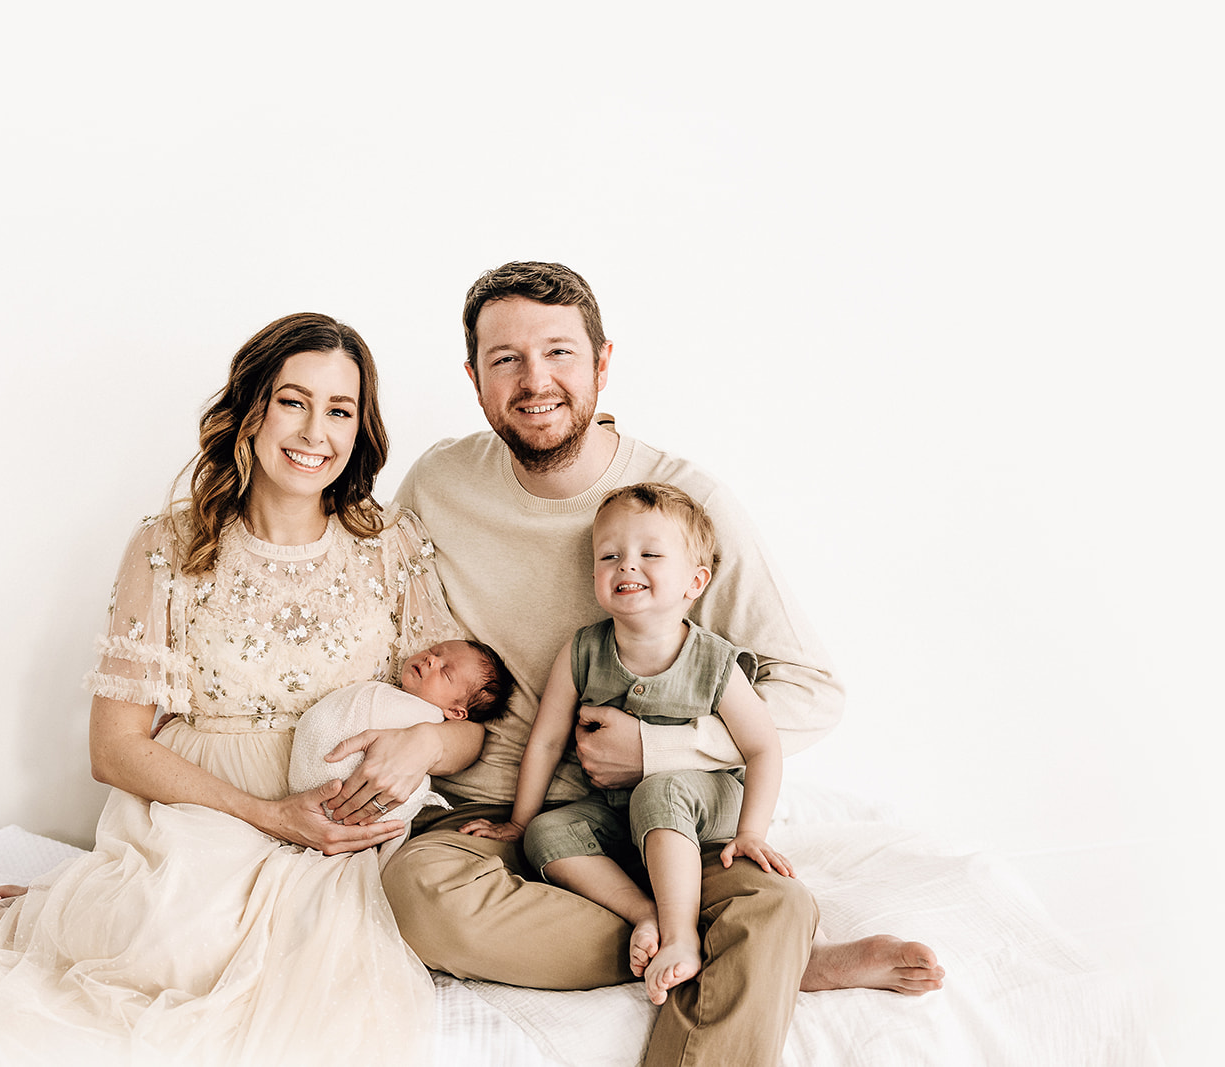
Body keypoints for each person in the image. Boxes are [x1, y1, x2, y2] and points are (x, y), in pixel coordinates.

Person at [0, 312, 481, 1067]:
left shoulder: (391, 544)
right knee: (170, 939)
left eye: (340, 409)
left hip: (334, 812)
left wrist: (424, 739)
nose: (315, 429)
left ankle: (42, 905)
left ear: (361, 428)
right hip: (208, 805)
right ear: (250, 410)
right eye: (293, 400)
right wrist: (266, 813)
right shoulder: (170, 545)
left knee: (328, 983)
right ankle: (8, 918)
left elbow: (465, 715)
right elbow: (114, 746)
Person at [383, 262, 945, 1067]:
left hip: (670, 821)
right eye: (505, 358)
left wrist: (660, 752)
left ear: (602, 362)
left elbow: (812, 692)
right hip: (510, 820)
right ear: (474, 379)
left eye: (559, 353)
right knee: (417, 897)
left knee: (776, 905)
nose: (535, 380)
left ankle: (749, 940)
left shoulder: (682, 504)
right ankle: (753, 958)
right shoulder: (439, 484)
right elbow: (387, 634)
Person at [461, 482, 793, 1007]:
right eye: (609, 555)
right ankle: (645, 913)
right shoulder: (583, 649)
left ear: (695, 581)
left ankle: (682, 936)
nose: (626, 566)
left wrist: (752, 832)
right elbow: (545, 742)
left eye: (650, 554)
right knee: (548, 834)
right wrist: (520, 821)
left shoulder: (713, 661)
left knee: (658, 792)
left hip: (702, 807)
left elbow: (764, 748)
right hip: (618, 812)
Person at [289, 639, 513, 866]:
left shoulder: (429, 719)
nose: (431, 659)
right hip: (307, 790)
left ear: (456, 712)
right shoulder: (388, 694)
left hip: (349, 808)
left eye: (446, 672)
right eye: (434, 651)